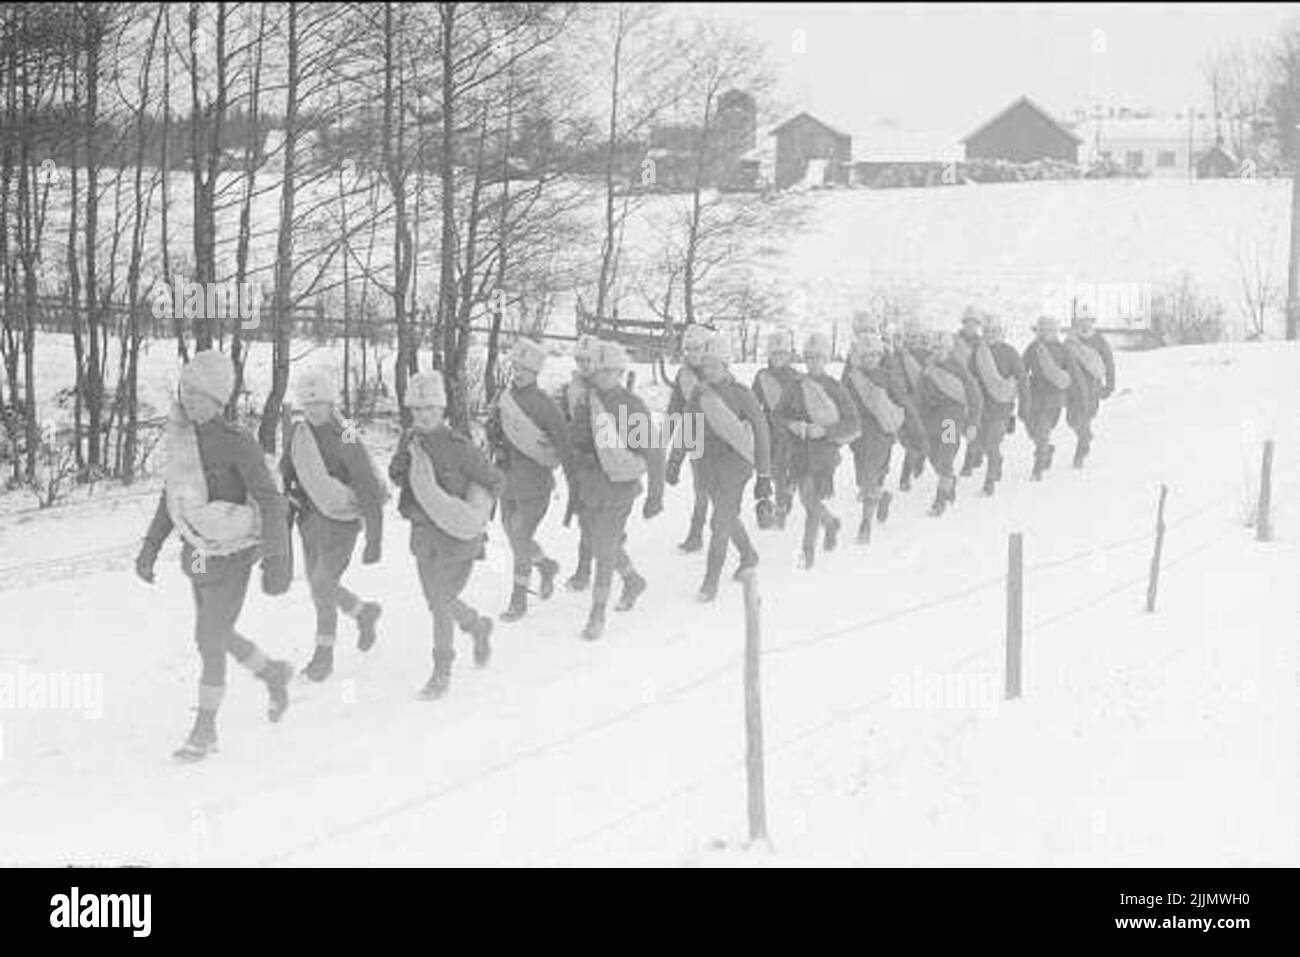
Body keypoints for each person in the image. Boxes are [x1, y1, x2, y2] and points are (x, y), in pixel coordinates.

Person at [134, 350, 293, 761]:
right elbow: (172, 497)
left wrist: (278, 560)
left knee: (210, 640)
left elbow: (271, 502)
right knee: (215, 633)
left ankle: (205, 731)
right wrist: (151, 547)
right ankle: (272, 672)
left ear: (218, 399)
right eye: (185, 389)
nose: (188, 398)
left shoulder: (238, 443)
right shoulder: (183, 438)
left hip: (233, 558)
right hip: (198, 557)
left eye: (197, 392)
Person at [388, 371, 502, 700]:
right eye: (417, 409)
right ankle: (477, 627)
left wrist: (476, 514)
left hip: (458, 541)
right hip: (424, 537)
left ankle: (441, 672)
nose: (422, 415)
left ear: (442, 410)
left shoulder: (461, 448)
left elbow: (494, 481)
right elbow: (403, 481)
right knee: (436, 601)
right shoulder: (410, 442)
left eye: (430, 408)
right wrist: (399, 468)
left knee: (440, 603)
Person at [280, 368, 386, 682]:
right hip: (309, 522)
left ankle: (323, 659)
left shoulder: (347, 432)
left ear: (331, 403)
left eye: (319, 404)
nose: (313, 412)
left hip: (341, 522)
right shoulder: (299, 432)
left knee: (323, 586)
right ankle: (363, 613)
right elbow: (288, 471)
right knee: (318, 587)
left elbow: (366, 483)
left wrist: (374, 539)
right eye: (308, 405)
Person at [569, 341, 665, 641]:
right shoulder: (587, 401)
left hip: (619, 489)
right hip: (590, 485)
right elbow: (577, 440)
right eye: (597, 371)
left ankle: (597, 614)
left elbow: (653, 453)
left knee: (603, 548)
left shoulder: (630, 406)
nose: (599, 377)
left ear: (619, 372)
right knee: (597, 540)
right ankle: (633, 580)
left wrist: (655, 495)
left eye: (607, 372)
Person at [487, 338, 575, 622]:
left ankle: (518, 600)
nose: (518, 372)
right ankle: (546, 566)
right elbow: (493, 435)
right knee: (515, 537)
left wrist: (575, 487)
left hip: (535, 485)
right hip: (507, 481)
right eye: (515, 366)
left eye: (525, 368)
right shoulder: (504, 398)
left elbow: (563, 445)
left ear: (536, 372)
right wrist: (494, 433)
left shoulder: (545, 405)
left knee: (521, 538)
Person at [686, 332, 773, 601]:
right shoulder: (698, 394)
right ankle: (748, 555)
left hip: (736, 466)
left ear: (726, 366)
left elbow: (761, 431)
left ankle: (710, 581)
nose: (709, 371)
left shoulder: (742, 394)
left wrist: (764, 473)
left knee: (720, 521)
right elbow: (689, 428)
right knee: (726, 515)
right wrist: (676, 460)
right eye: (706, 365)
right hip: (707, 466)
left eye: (715, 365)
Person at [774, 331, 860, 569]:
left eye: (818, 357)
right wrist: (793, 424)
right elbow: (778, 415)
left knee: (811, 502)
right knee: (807, 500)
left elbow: (853, 423)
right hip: (799, 452)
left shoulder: (835, 388)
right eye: (809, 357)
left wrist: (825, 431)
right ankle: (831, 523)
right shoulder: (795, 386)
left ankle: (806, 554)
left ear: (826, 359)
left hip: (824, 454)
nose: (813, 362)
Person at [955, 312, 1028, 496]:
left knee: (992, 444)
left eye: (994, 331)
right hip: (981, 409)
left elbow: (1022, 380)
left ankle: (990, 481)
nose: (990, 335)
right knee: (979, 443)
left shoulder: (1010, 353)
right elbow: (969, 380)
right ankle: (995, 463)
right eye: (987, 332)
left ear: (1001, 333)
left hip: (1001, 410)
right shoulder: (977, 354)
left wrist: (1024, 407)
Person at [842, 331, 903, 543]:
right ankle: (882, 497)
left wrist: (915, 433)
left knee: (868, 477)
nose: (871, 359)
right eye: (866, 355)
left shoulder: (888, 377)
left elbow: (904, 402)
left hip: (882, 434)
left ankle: (865, 524)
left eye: (875, 355)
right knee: (863, 479)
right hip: (859, 437)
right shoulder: (852, 379)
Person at [917, 329, 983, 516]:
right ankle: (949, 481)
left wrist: (972, 423)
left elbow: (974, 395)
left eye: (942, 348)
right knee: (935, 458)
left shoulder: (958, 368)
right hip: (931, 421)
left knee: (945, 457)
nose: (938, 351)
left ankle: (940, 500)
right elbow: (919, 397)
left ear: (948, 349)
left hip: (950, 420)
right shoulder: (926, 369)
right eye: (935, 348)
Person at [665, 324, 713, 553]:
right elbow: (676, 412)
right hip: (696, 440)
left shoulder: (717, 372)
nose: (692, 353)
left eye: (697, 348)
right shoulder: (682, 375)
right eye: (688, 349)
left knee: (721, 494)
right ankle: (696, 536)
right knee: (701, 489)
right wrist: (672, 455)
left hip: (720, 440)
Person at [557, 334, 597, 591]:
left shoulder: (606, 387)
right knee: (585, 515)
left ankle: (584, 572)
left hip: (601, 463)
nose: (583, 364)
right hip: (577, 459)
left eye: (588, 360)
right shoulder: (571, 386)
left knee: (589, 519)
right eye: (579, 360)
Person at [750, 329, 802, 530]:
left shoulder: (798, 377)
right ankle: (773, 499)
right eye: (774, 353)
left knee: (784, 469)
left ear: (789, 355)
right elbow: (754, 402)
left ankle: (782, 504)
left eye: (782, 353)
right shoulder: (761, 376)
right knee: (767, 467)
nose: (778, 357)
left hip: (790, 431)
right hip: (769, 429)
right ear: (769, 355)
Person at [1021, 315, 1079, 481]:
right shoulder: (1032, 348)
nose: (1044, 333)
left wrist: (1077, 399)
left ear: (1054, 332)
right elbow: (1021, 369)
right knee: (1031, 429)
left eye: (1047, 330)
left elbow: (1073, 374)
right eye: (1041, 330)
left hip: (1053, 399)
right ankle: (1047, 450)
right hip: (1034, 397)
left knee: (1042, 432)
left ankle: (1037, 469)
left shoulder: (1062, 350)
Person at [1064, 305, 1116, 468]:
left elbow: (1109, 363)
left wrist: (1110, 385)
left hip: (1093, 389)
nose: (1084, 324)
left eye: (1087, 321)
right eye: (1081, 321)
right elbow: (1062, 362)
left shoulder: (1099, 341)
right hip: (1073, 389)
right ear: (1076, 323)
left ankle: (1080, 453)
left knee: (1084, 419)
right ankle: (1086, 437)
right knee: (1072, 420)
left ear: (1092, 322)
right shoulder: (1070, 341)